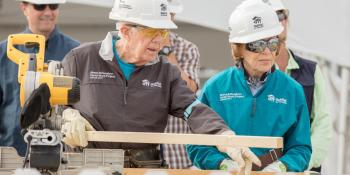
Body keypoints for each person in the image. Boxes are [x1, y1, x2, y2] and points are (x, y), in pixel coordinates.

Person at [60, 0, 261, 172]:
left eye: (163, 31)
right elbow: (48, 107)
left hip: (145, 166)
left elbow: (193, 108)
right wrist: (66, 114)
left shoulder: (166, 72)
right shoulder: (81, 59)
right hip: (87, 166)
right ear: (125, 31)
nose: (161, 40)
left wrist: (223, 135)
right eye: (152, 31)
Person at [186, 0, 311, 173]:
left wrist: (281, 167)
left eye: (272, 43)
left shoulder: (292, 90)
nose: (266, 51)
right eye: (257, 45)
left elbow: (301, 147)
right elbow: (196, 144)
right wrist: (222, 164)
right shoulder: (215, 87)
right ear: (239, 49)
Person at [0, 0, 79, 157]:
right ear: (24, 7)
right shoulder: (4, 52)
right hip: (12, 152)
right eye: (40, 6)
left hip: (62, 152)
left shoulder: (76, 52)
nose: (48, 12)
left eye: (54, 6)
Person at [263, 0, 332, 172]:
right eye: (273, 16)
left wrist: (300, 162)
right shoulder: (250, 74)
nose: (280, 20)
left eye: (282, 15)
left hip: (304, 168)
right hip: (264, 168)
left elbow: (322, 123)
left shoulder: (312, 70)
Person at [161, 0, 199, 169]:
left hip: (177, 154)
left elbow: (189, 91)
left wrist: (167, 52)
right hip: (142, 151)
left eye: (170, 15)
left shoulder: (187, 48)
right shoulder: (135, 50)